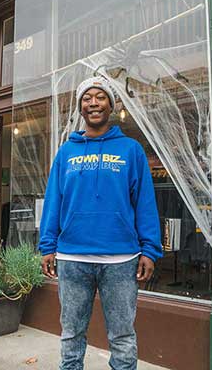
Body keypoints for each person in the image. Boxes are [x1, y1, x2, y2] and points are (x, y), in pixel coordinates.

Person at [39, 75, 163, 370]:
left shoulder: (131, 150)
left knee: (121, 336)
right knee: (71, 335)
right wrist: (47, 245)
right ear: (81, 107)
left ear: (111, 104)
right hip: (71, 257)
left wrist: (149, 250)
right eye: (87, 98)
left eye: (100, 97)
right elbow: (54, 200)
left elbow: (144, 202)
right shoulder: (66, 152)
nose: (93, 103)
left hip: (121, 259)